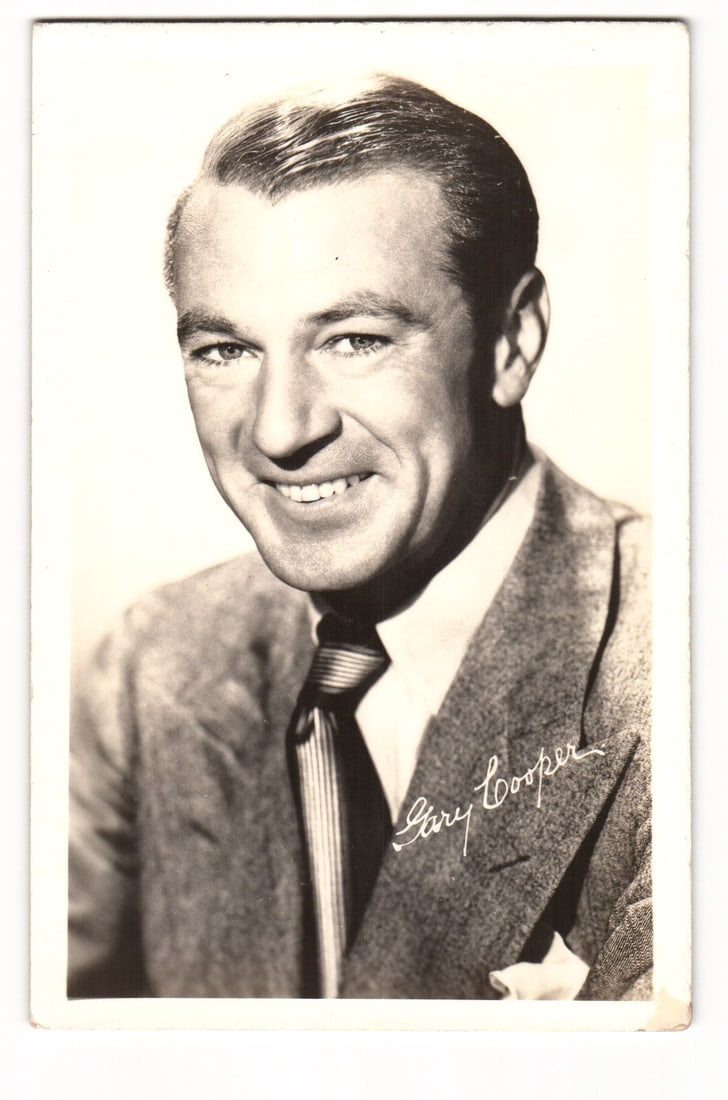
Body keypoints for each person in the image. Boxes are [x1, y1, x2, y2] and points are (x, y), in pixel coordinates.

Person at [68, 74, 651, 1001]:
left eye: (354, 340)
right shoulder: (155, 665)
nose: (280, 430)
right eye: (226, 350)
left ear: (513, 339)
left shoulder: (685, 671)